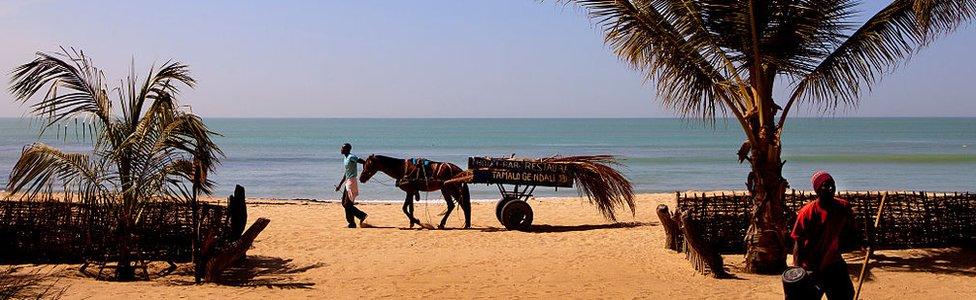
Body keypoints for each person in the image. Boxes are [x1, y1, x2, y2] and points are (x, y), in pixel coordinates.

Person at [790, 170, 856, 300]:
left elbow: (851, 233)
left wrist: (864, 242)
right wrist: (797, 270)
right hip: (812, 266)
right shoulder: (807, 213)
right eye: (826, 185)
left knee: (846, 296)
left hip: (834, 262)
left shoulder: (843, 207)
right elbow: (798, 241)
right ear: (818, 190)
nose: (831, 188)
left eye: (832, 184)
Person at [335, 143, 368, 228]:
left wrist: (366, 171)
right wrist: (340, 185)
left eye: (343, 148)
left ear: (347, 149)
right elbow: (346, 173)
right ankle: (352, 223)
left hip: (352, 182)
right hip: (348, 181)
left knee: (347, 204)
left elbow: (363, 161)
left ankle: (361, 216)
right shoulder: (345, 158)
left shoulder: (351, 157)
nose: (341, 149)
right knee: (344, 203)